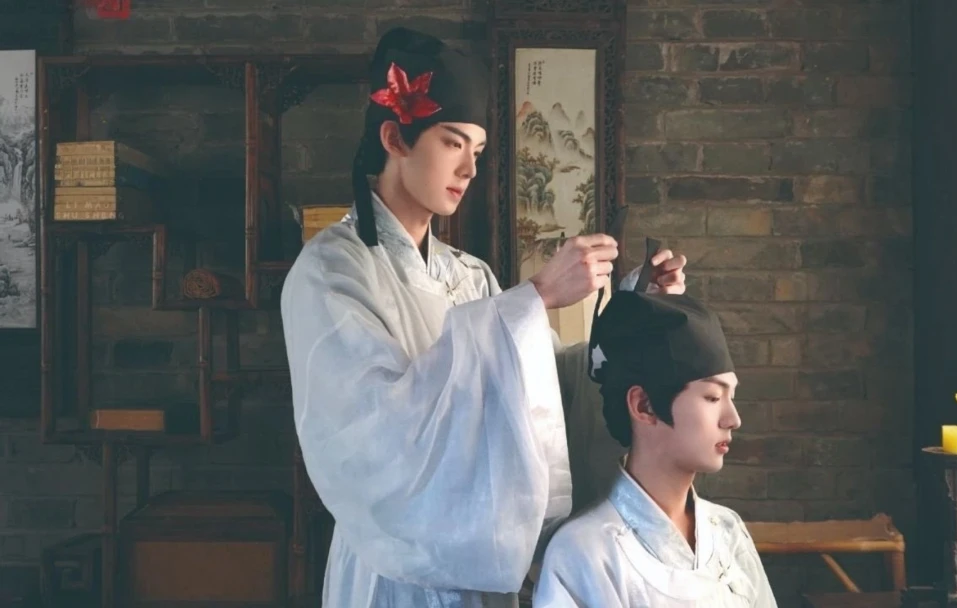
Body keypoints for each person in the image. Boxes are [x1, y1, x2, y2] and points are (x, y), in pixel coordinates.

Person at [279, 27, 689, 608]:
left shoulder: (469, 275)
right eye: (453, 143)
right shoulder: (332, 271)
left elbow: (546, 390)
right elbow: (375, 431)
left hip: (482, 557)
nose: (469, 169)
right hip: (394, 563)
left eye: (477, 150)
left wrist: (633, 311)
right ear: (394, 137)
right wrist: (536, 296)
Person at [532, 288, 778, 607]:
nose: (733, 419)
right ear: (644, 405)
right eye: (713, 397)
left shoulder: (728, 530)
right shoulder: (582, 552)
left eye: (732, 397)